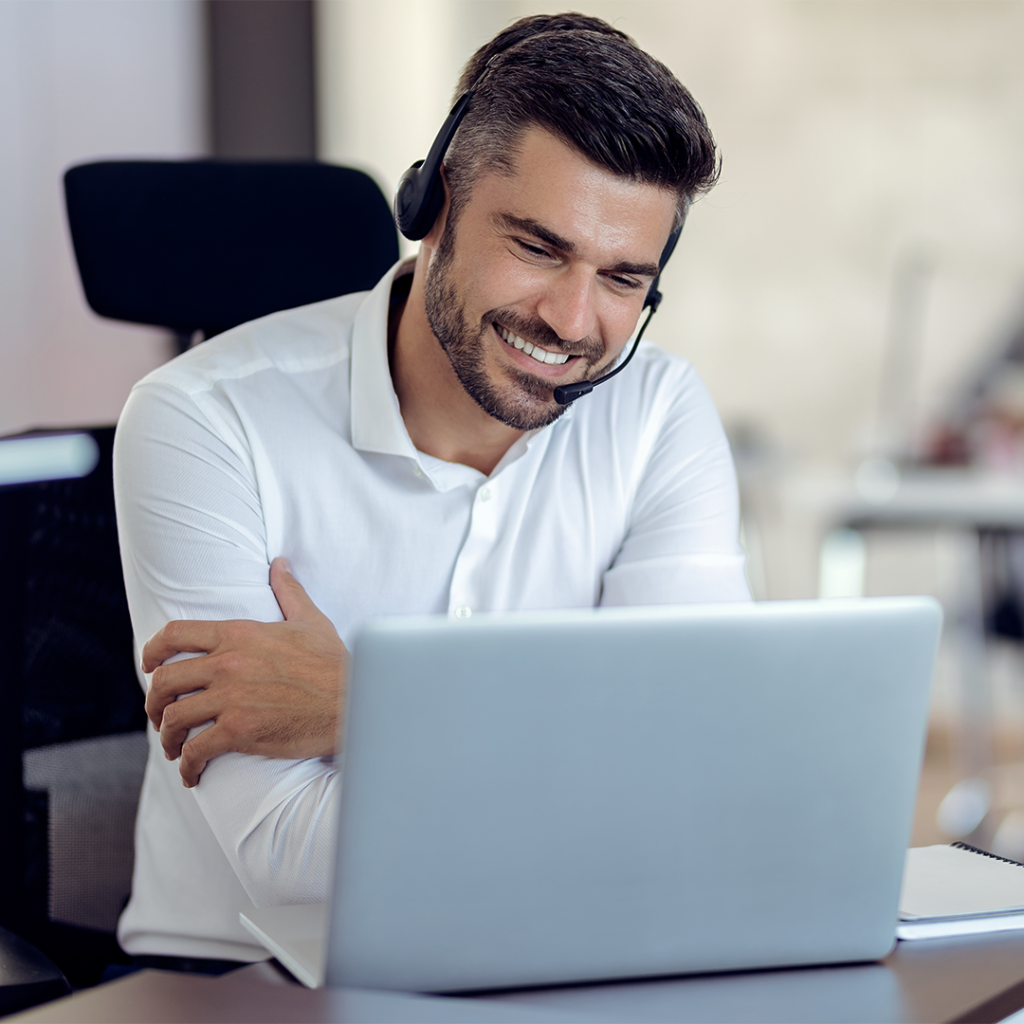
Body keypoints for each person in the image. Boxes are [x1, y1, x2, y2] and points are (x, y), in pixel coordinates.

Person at [112, 12, 750, 966]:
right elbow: (294, 862)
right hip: (246, 984)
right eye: (538, 247)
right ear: (435, 206)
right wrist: (601, 772)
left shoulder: (657, 412)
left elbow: (701, 789)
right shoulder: (201, 421)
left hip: (556, 965)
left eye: (623, 278)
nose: (574, 321)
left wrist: (368, 706)